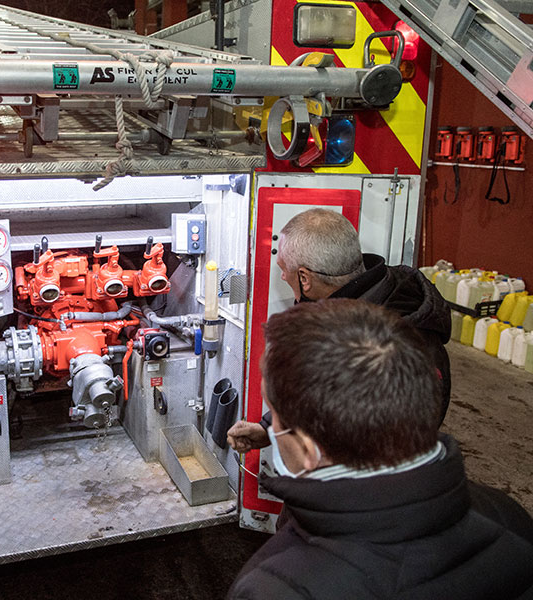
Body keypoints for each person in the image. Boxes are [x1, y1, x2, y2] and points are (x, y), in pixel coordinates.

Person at [226, 299, 533, 600]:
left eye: (275, 419)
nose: (272, 429)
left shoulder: (274, 587)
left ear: (308, 450)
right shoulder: (510, 516)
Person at [228, 208, 451, 451]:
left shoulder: (403, 344)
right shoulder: (346, 307)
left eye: (284, 269)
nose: (282, 276)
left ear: (305, 279)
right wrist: (271, 429)